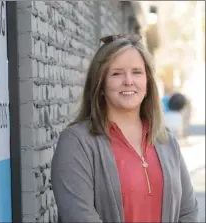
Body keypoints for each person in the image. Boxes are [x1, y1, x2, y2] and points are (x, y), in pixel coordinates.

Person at [51, 34, 198, 223]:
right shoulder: (76, 143)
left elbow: (188, 212)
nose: (129, 81)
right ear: (100, 84)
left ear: (148, 83)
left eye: (137, 72)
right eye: (117, 73)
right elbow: (79, 217)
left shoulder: (166, 140)